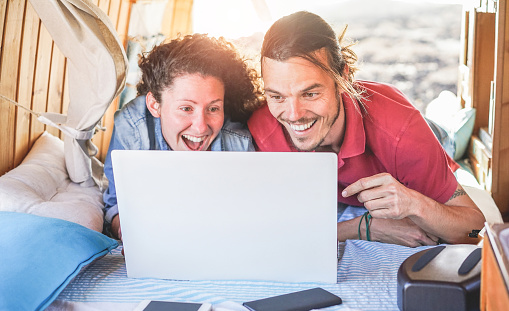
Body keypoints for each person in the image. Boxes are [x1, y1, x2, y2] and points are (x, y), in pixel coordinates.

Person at [247, 11, 485, 247]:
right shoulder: (264, 130)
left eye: (310, 94)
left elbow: (475, 232)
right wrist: (363, 227)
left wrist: (414, 204)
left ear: (344, 77)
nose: (293, 114)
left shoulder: (402, 133)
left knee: (451, 134)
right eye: (277, 96)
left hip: (431, 135)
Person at [103, 34, 264, 240]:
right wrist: (126, 230)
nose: (200, 127)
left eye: (213, 108)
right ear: (155, 105)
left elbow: (249, 214)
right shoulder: (132, 128)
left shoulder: (237, 143)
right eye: (186, 108)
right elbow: (116, 203)